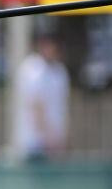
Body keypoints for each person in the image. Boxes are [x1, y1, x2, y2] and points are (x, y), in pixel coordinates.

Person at [14, 33, 70, 161]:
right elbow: (36, 106)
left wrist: (60, 138)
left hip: (55, 144)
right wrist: (49, 139)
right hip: (35, 144)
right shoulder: (31, 69)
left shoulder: (60, 71)